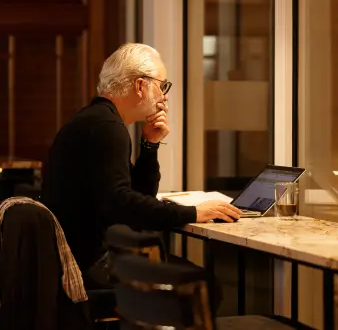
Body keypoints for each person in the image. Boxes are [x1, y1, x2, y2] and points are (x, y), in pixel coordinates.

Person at [41, 43, 240, 287]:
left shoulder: (98, 119)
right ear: (140, 85)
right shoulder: (107, 128)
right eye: (162, 85)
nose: (164, 96)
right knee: (202, 284)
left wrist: (150, 145)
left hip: (78, 257)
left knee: (186, 272)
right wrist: (195, 213)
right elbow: (122, 205)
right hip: (86, 265)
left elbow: (137, 197)